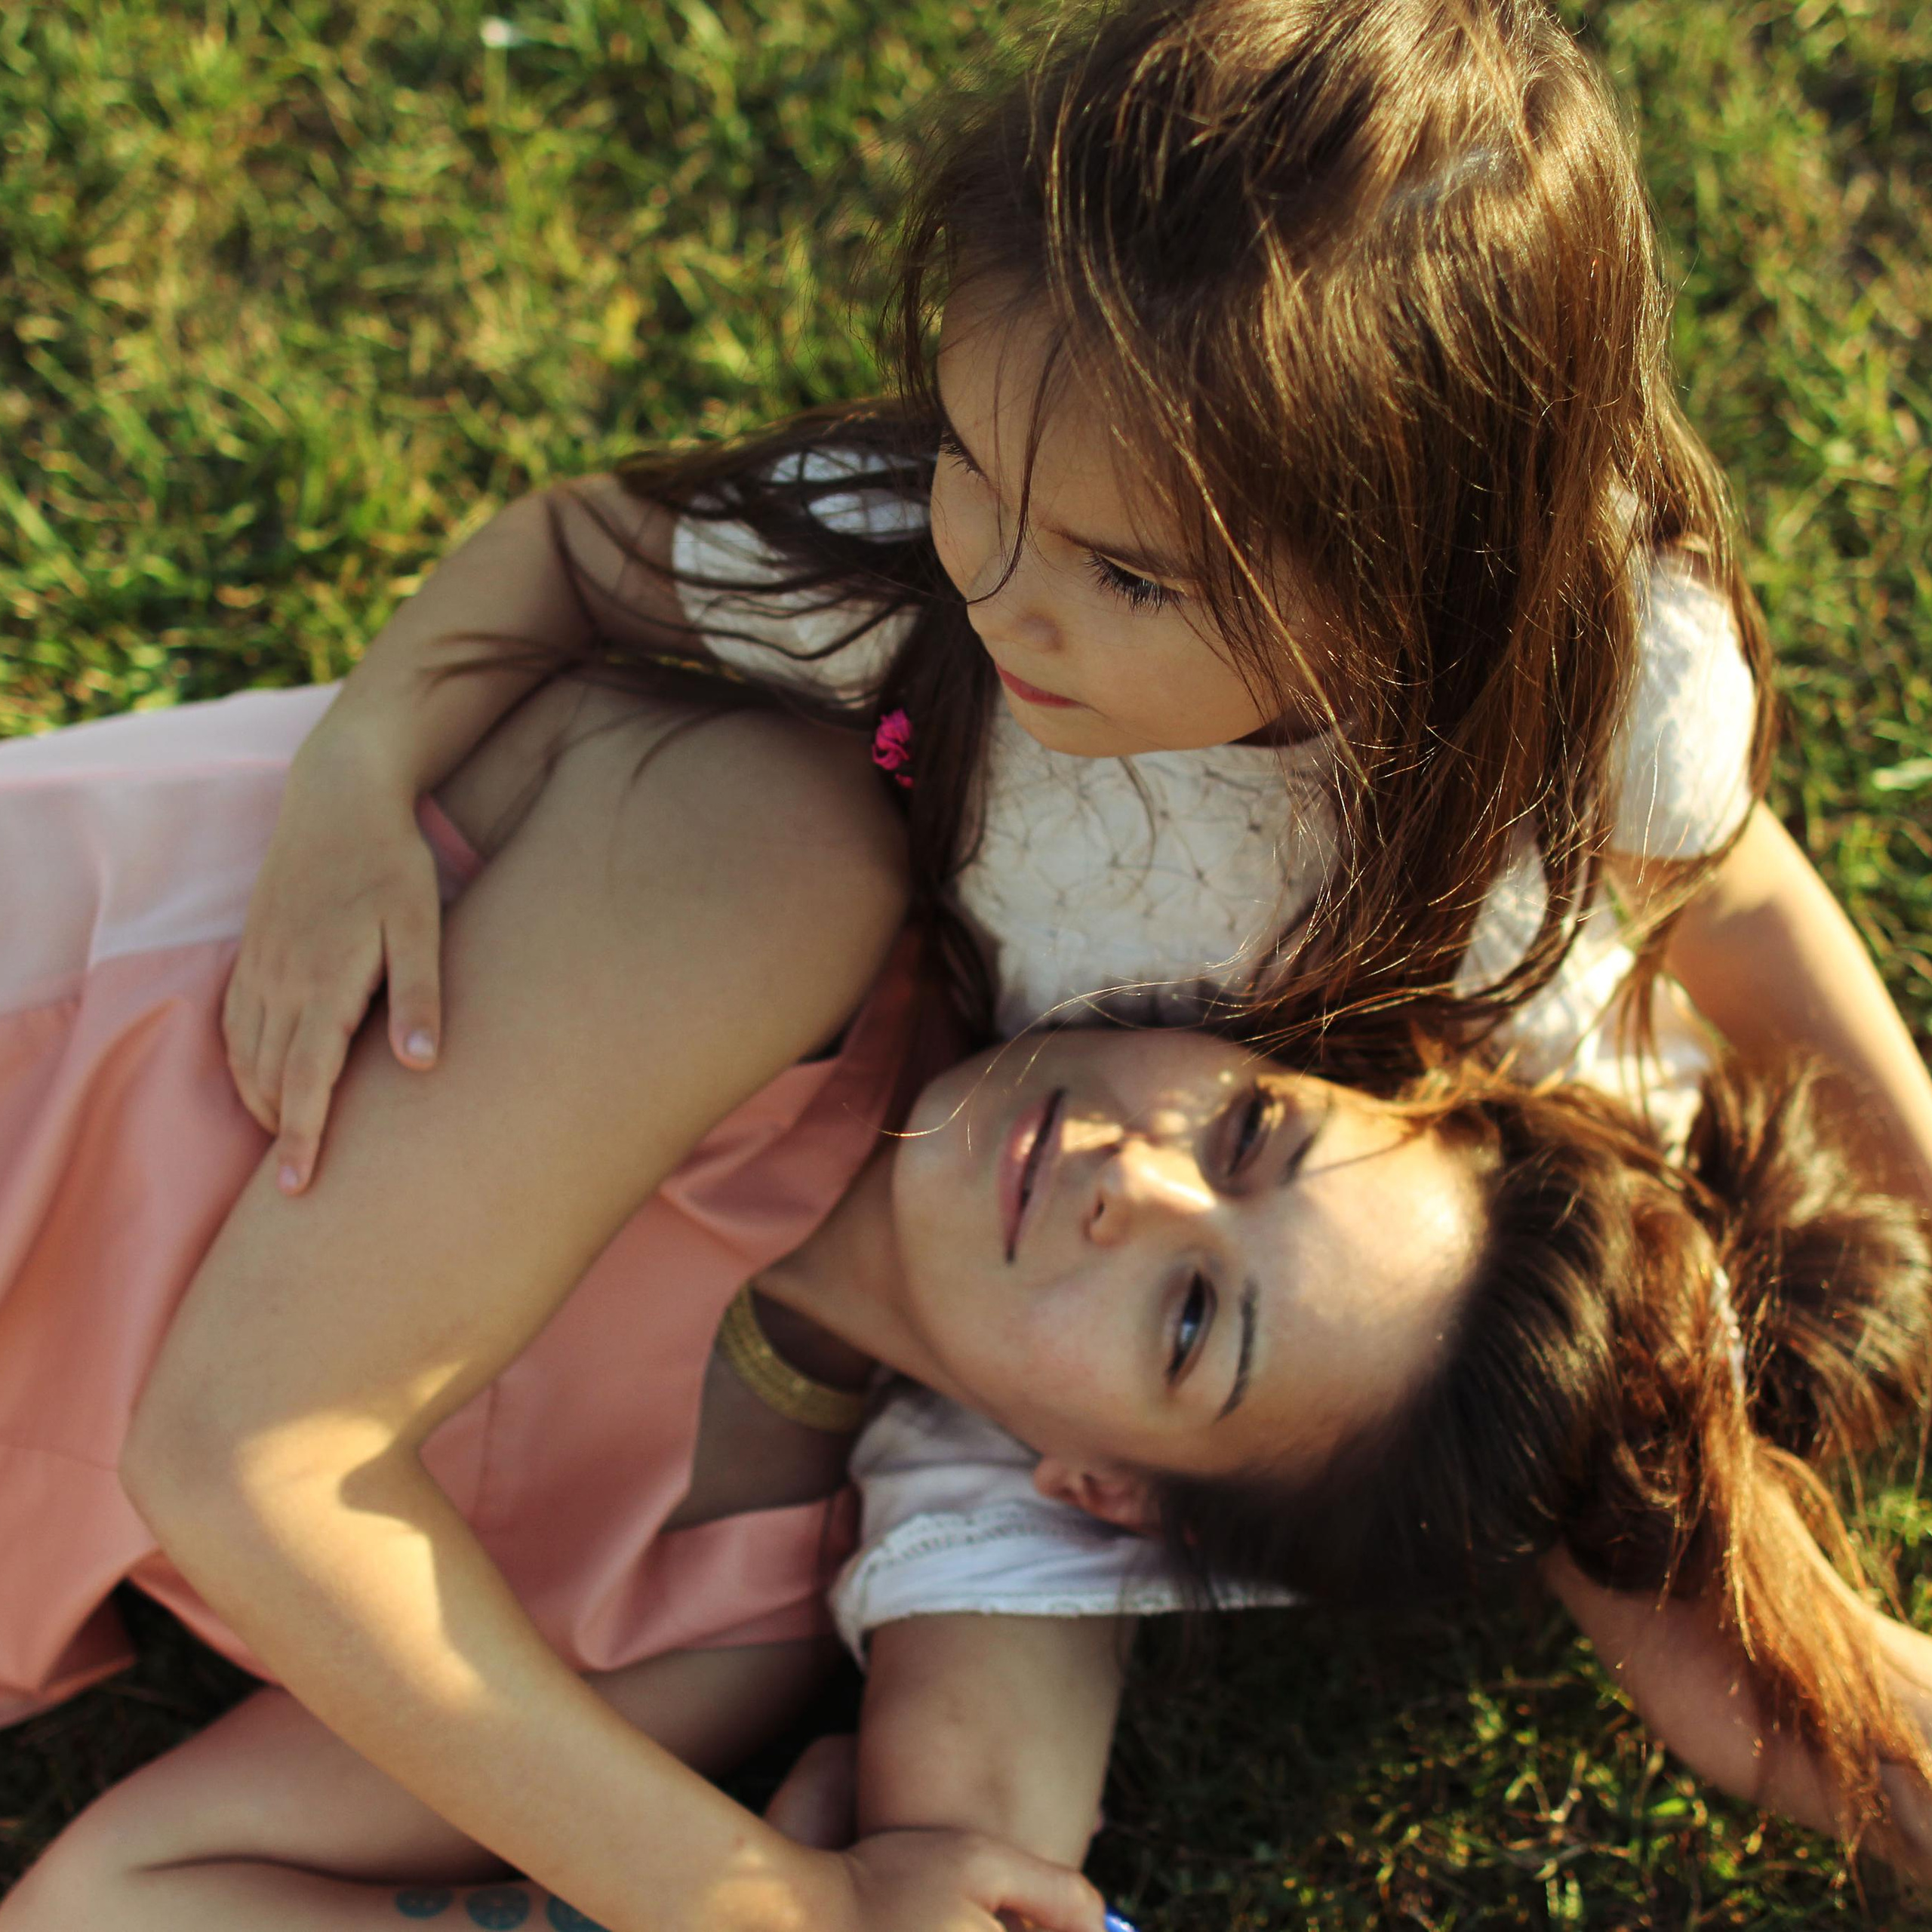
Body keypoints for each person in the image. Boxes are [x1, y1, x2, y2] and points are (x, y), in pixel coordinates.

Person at [3, 679, 1931, 1932]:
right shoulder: (779, 873)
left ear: (1101, 1490)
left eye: (1189, 1323)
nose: (1130, 1183)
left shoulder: (712, 1624)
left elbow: (112, 1896)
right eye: (1249, 1128)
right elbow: (243, 1450)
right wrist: (761, 1903)